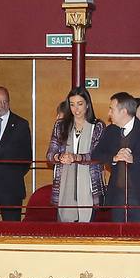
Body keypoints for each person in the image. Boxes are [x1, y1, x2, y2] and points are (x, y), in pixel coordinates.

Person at [92, 91, 140, 222]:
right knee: (119, 238)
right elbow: (96, 154)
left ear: (123, 112)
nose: (109, 114)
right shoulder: (110, 131)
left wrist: (134, 159)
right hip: (118, 195)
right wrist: (114, 158)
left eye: (111, 109)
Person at [48, 86, 104, 222]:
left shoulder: (97, 126)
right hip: (64, 183)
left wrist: (77, 157)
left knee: (86, 233)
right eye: (72, 105)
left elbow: (99, 155)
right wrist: (60, 157)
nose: (76, 109)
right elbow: (50, 154)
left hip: (89, 185)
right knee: (65, 232)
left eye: (80, 104)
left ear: (87, 105)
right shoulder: (60, 125)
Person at [0, 86, 31, 221]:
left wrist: (12, 174)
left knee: (12, 229)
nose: (3, 105)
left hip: (11, 187)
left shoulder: (20, 124)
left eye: (6, 101)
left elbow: (27, 158)